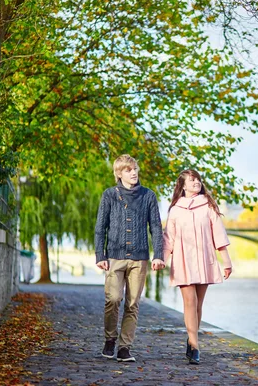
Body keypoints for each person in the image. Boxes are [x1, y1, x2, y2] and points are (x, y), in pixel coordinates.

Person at [94, 154, 165, 362]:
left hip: (139, 258)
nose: (133, 173)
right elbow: (100, 228)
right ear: (119, 173)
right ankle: (110, 339)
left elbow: (156, 228)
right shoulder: (109, 195)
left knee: (133, 304)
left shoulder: (148, 196)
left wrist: (158, 254)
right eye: (128, 170)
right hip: (114, 257)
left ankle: (124, 348)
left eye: (135, 169)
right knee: (113, 299)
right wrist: (100, 255)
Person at [163, 169, 233, 365]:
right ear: (183, 185)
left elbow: (219, 234)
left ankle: (191, 339)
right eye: (192, 180)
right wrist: (162, 259)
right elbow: (169, 238)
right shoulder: (176, 209)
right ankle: (194, 345)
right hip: (183, 260)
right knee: (190, 302)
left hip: (204, 259)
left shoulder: (208, 206)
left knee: (199, 305)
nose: (196, 183)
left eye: (198, 180)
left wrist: (226, 261)